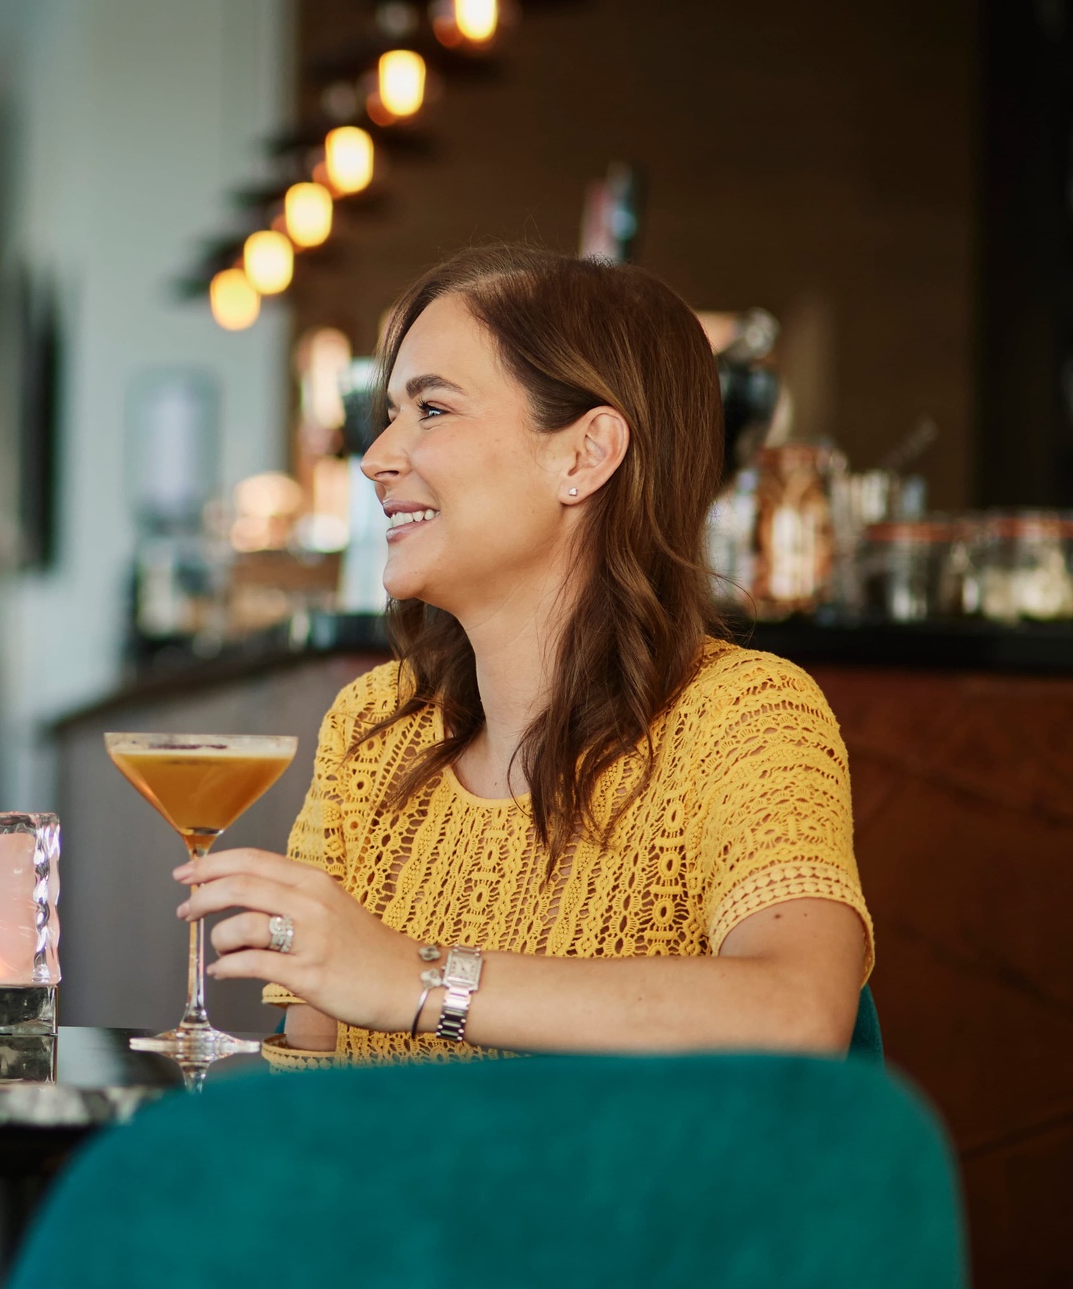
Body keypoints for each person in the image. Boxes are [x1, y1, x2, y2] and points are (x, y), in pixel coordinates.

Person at [181, 247, 870, 1059]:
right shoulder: (371, 733)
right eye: (389, 416)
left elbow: (800, 1012)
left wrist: (417, 978)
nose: (376, 459)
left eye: (432, 409)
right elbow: (311, 1099)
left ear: (583, 455)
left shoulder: (746, 716)